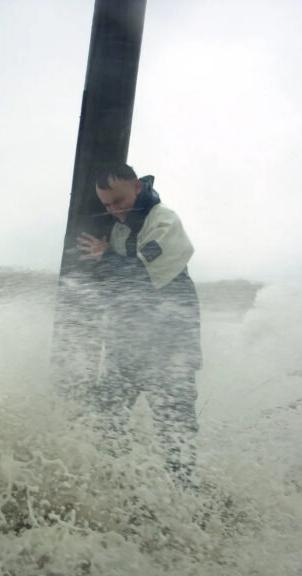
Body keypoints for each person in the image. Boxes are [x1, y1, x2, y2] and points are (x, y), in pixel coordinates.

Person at [76, 164, 202, 483]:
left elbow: (144, 277)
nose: (114, 210)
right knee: (107, 414)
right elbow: (114, 287)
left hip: (171, 344)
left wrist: (105, 258)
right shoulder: (118, 231)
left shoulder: (164, 221)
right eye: (107, 205)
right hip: (128, 343)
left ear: (136, 186)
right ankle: (121, 484)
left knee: (175, 427)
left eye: (119, 201)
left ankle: (185, 499)